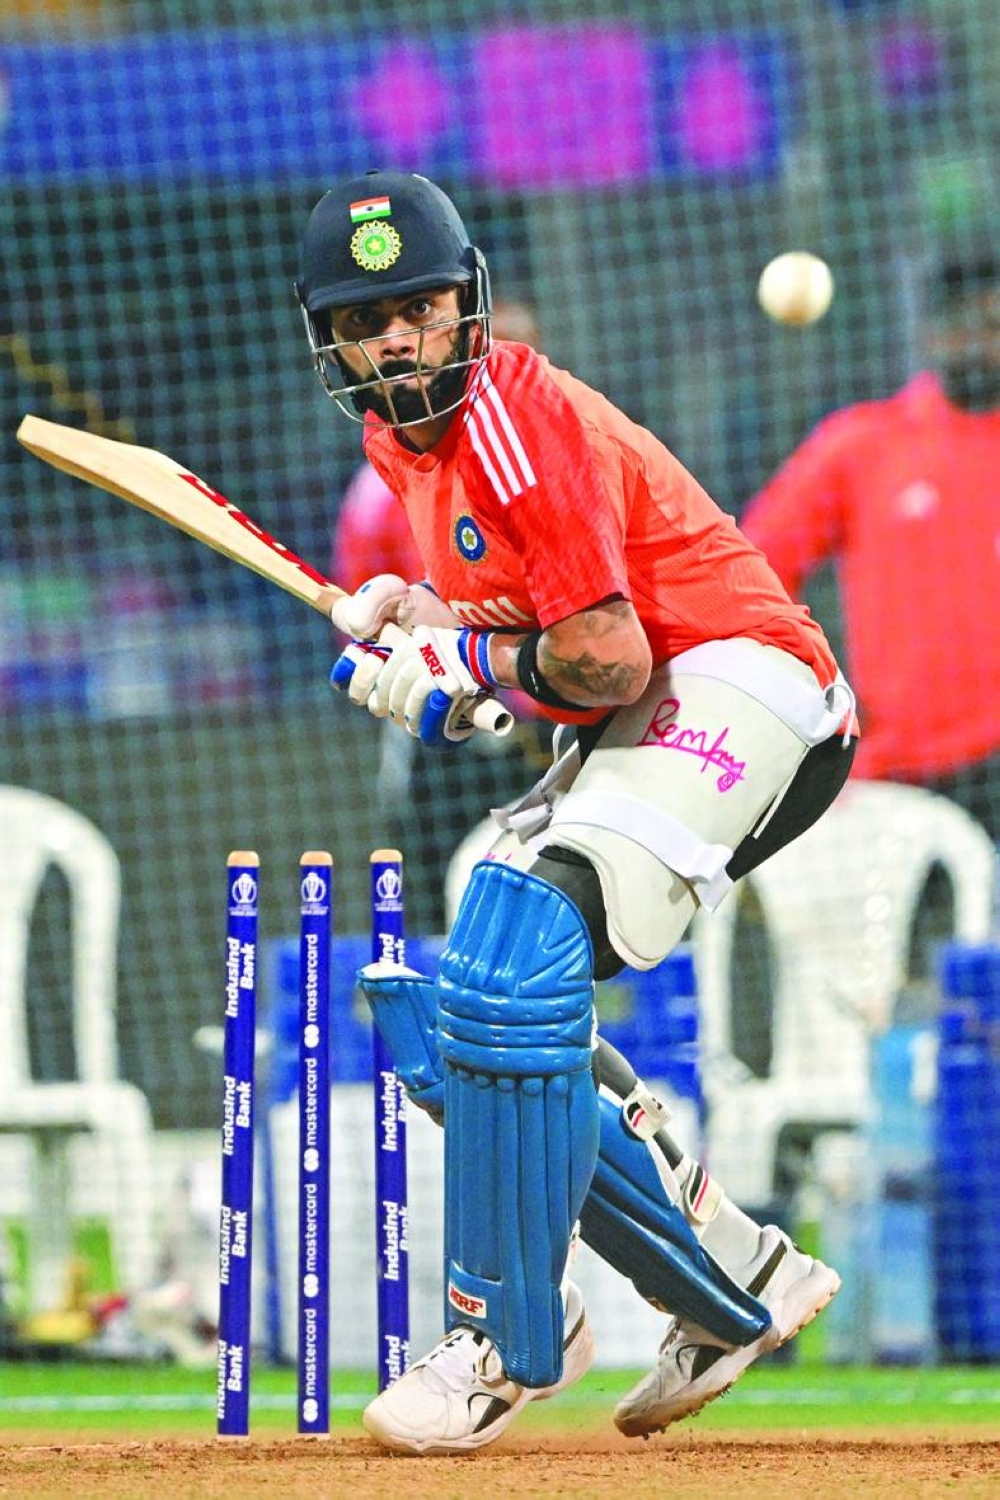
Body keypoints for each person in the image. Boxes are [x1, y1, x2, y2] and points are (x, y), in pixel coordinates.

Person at [294, 169, 857, 1456]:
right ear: (331, 341)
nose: (400, 339)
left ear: (466, 305)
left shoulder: (506, 416)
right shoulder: (401, 445)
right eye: (368, 320)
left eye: (421, 307)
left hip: (746, 678)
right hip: (655, 698)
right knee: (479, 1005)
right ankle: (734, 1273)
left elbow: (600, 657)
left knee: (519, 938)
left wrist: (463, 663)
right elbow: (536, 622)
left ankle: (505, 1335)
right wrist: (426, 625)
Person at [741, 242, 999, 840]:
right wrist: (813, 701)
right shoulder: (862, 445)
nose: (977, 341)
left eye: (991, 324)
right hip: (900, 778)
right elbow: (752, 572)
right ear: (934, 335)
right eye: (963, 322)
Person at [331, 299, 552, 935]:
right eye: (495, 348)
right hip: (438, 720)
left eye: (523, 351)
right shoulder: (383, 482)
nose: (507, 365)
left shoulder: (557, 460)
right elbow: (354, 603)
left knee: (545, 890)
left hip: (545, 718)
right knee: (434, 891)